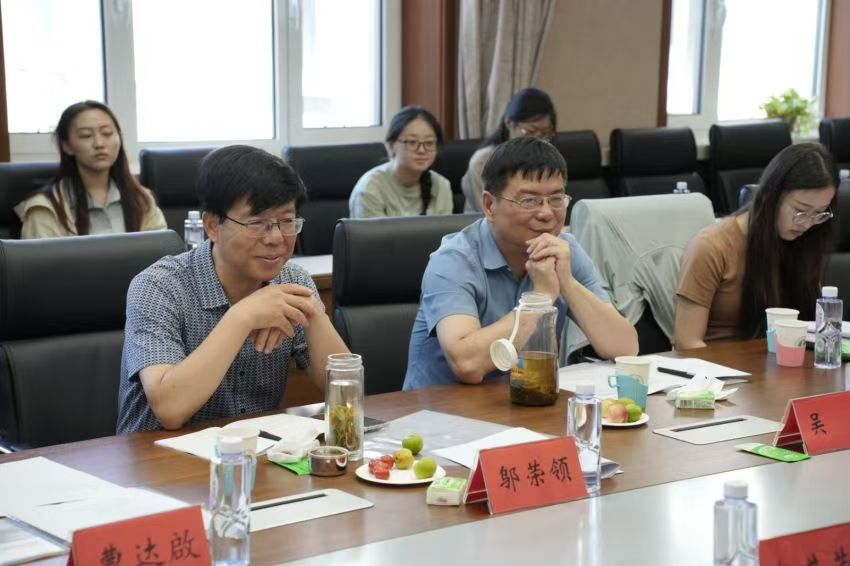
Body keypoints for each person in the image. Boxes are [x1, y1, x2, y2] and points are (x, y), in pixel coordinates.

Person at [117, 145, 349, 433]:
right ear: (212, 226)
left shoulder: (293, 281)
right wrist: (242, 317)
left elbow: (346, 393)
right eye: (257, 223)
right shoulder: (158, 287)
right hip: (156, 456)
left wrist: (312, 313)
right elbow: (170, 409)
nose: (276, 238)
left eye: (287, 221)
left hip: (253, 453)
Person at [403, 137, 638, 390]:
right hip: (440, 409)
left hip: (524, 400)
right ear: (489, 205)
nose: (546, 213)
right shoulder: (453, 261)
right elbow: (467, 365)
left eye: (556, 199)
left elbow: (624, 347)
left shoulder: (563, 250)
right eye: (529, 201)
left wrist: (566, 282)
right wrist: (540, 298)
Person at [675, 143, 838, 349]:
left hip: (786, 363)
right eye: (800, 211)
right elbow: (686, 341)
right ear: (771, 195)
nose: (807, 224)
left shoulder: (805, 242)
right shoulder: (711, 246)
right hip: (719, 365)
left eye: (819, 213)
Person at [14, 100, 166, 238]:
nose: (99, 143)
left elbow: (162, 253)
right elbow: (42, 260)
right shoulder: (46, 208)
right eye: (86, 136)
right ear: (67, 146)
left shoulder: (142, 200)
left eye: (107, 133)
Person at [461, 88, 557, 212]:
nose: (538, 141)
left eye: (545, 133)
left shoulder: (548, 159)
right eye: (530, 131)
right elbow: (491, 214)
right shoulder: (483, 162)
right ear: (509, 123)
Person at [349, 106, 453, 218]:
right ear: (390, 146)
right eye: (412, 142)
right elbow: (371, 230)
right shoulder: (370, 188)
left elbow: (445, 229)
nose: (422, 150)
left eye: (429, 143)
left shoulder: (441, 186)